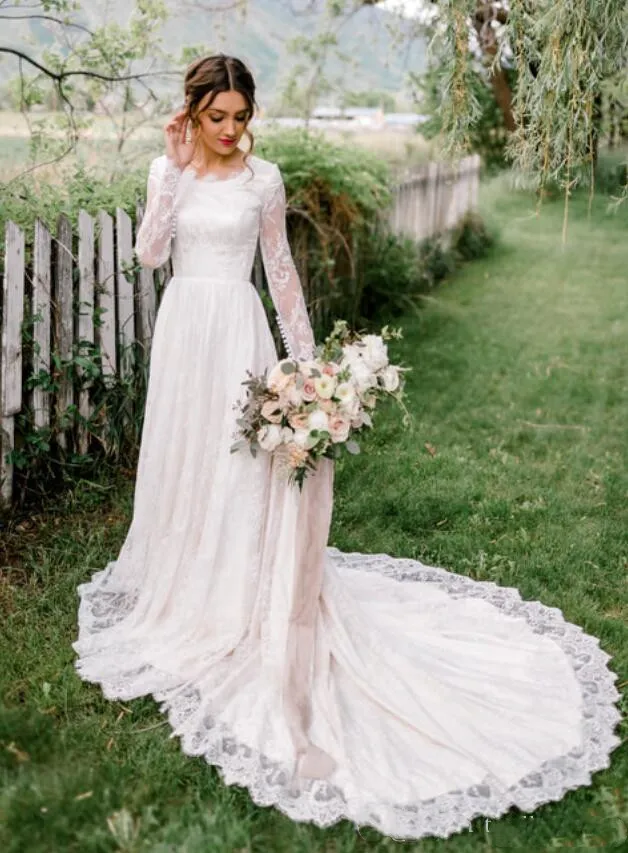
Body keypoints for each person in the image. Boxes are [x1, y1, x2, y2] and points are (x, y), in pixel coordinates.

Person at [73, 54, 622, 841]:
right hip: (183, 335)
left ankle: (237, 588)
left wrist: (310, 374)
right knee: (184, 460)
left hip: (237, 333)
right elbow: (151, 254)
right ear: (191, 112)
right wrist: (172, 169)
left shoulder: (264, 180)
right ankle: (182, 573)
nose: (229, 129)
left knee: (240, 468)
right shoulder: (172, 171)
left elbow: (281, 273)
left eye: (239, 116)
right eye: (216, 116)